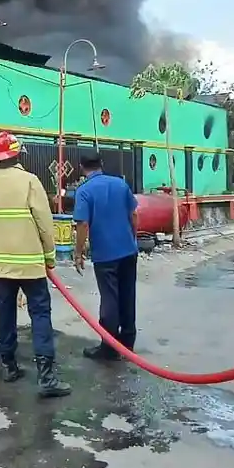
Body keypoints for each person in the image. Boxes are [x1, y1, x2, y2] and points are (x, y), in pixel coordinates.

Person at [0, 131, 70, 398]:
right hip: (30, 264)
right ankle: (47, 377)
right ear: (18, 154)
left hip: (1, 264)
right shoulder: (29, 181)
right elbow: (44, 222)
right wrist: (49, 256)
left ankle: (8, 366)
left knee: (4, 313)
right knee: (40, 315)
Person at [71, 151, 140, 360]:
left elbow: (82, 223)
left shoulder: (83, 191)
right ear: (101, 164)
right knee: (128, 294)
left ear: (82, 167)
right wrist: (133, 238)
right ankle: (127, 342)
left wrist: (78, 253)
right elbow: (134, 214)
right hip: (128, 250)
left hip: (105, 254)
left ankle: (109, 347)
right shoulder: (120, 184)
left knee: (109, 298)